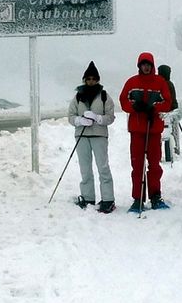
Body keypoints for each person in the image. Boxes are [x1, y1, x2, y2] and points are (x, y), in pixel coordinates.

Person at [119, 52, 173, 212]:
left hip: (153, 128)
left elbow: (168, 102)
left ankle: (155, 196)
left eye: (148, 64)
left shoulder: (160, 82)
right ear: (139, 66)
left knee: (154, 164)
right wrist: (134, 107)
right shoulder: (132, 82)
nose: (146, 67)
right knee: (137, 164)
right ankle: (138, 198)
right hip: (137, 129)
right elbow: (123, 100)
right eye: (143, 64)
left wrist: (154, 108)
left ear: (152, 65)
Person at [67, 61, 116, 213]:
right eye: (88, 79)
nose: (91, 81)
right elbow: (70, 116)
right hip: (82, 136)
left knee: (103, 167)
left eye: (94, 79)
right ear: (84, 80)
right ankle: (88, 198)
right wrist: (79, 120)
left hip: (99, 136)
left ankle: (108, 199)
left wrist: (97, 118)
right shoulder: (78, 96)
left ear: (98, 80)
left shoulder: (104, 96)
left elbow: (110, 117)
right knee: (85, 168)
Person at [157, 64, 180, 155]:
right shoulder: (169, 84)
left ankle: (159, 153)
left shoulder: (158, 84)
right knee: (173, 133)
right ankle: (175, 150)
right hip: (171, 112)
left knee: (160, 134)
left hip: (161, 112)